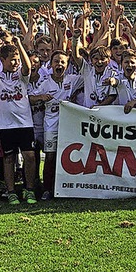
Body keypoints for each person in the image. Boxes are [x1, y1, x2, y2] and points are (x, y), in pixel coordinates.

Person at [0, 37, 37, 205]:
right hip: (5, 126)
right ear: (2, 60)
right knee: (8, 159)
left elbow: (28, 67)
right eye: (12, 60)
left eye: (17, 60)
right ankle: (11, 191)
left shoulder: (21, 75)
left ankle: (29, 189)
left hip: (25, 124)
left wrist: (19, 44)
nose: (16, 63)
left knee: (29, 156)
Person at [29, 50, 83, 200]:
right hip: (50, 126)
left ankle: (66, 188)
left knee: (70, 156)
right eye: (56, 62)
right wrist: (40, 97)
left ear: (67, 65)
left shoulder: (72, 79)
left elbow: (89, 77)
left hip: (68, 126)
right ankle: (47, 189)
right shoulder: (45, 83)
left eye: (62, 62)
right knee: (50, 157)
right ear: (51, 64)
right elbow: (30, 98)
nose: (59, 64)